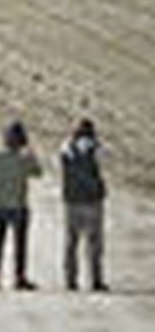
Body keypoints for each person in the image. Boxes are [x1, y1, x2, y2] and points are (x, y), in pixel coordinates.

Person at [0, 120, 43, 291]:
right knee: (20, 245)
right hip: (19, 206)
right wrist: (31, 153)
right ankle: (19, 277)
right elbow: (38, 173)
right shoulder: (23, 160)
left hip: (0, 206)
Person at [60, 118, 108, 292]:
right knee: (94, 242)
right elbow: (105, 156)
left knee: (71, 241)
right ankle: (96, 279)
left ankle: (70, 280)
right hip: (92, 200)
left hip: (72, 200)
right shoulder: (94, 148)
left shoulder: (66, 149)